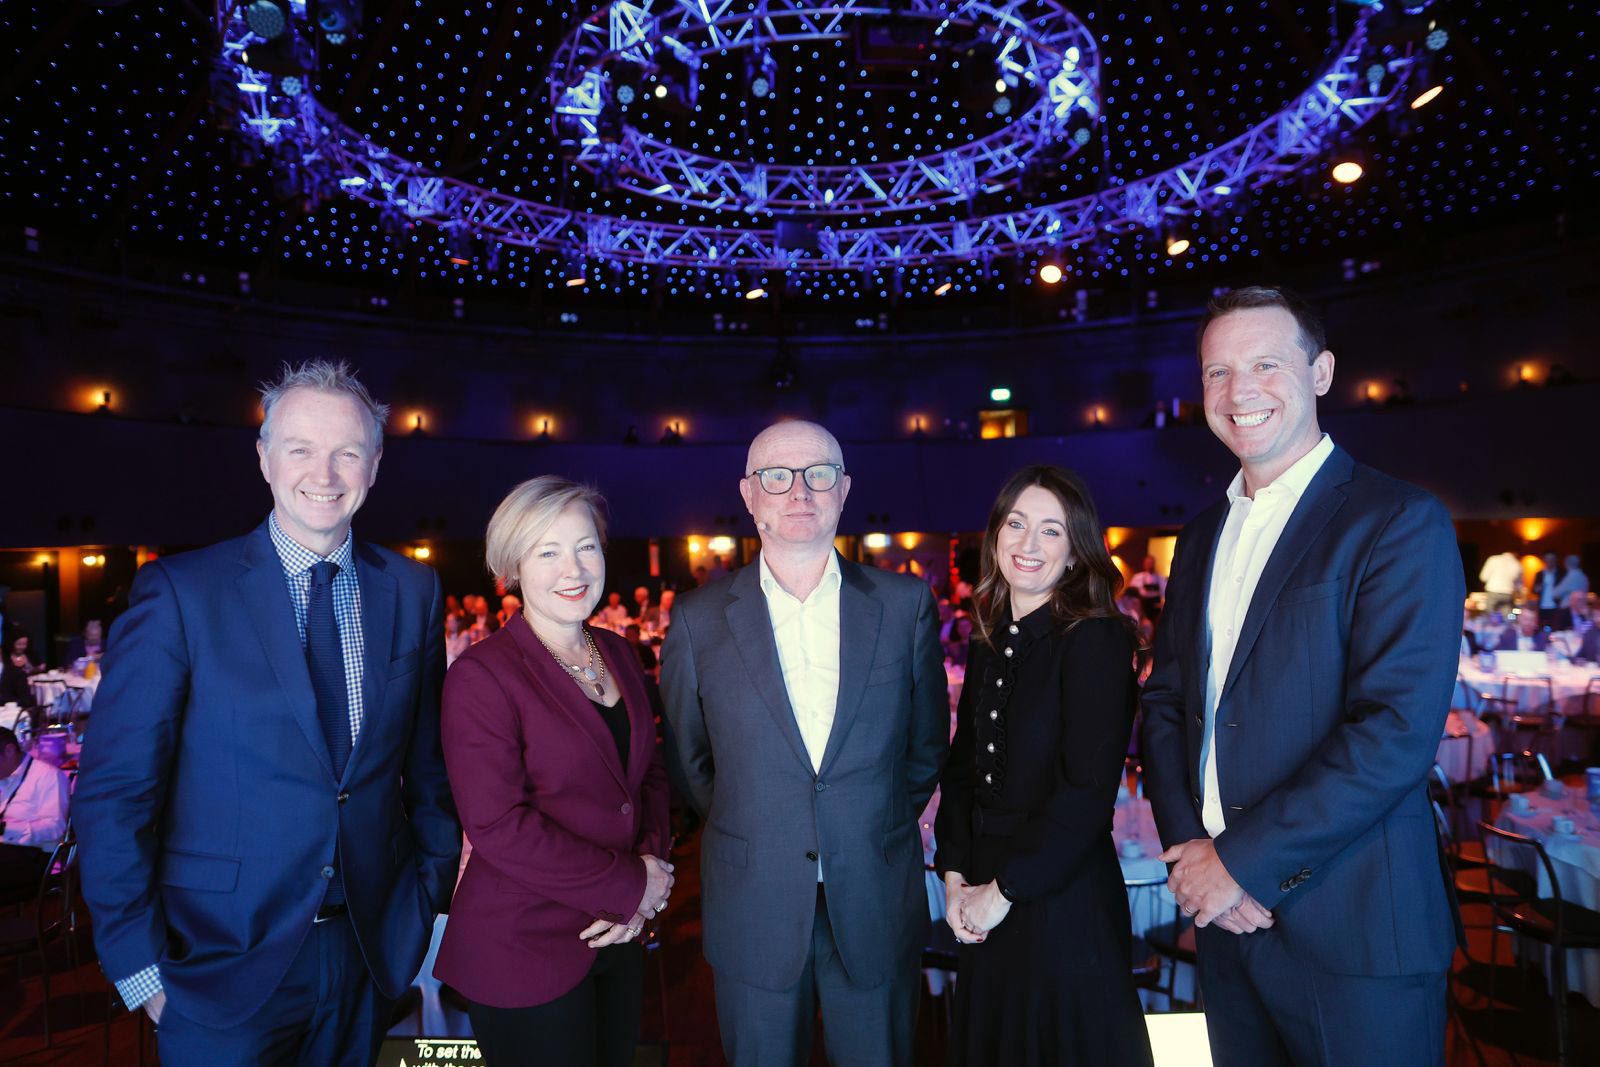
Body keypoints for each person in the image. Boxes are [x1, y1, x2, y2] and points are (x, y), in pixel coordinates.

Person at [75, 360, 461, 1066]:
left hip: (367, 957)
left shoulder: (413, 589)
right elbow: (114, 792)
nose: (326, 471)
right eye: (300, 448)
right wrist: (141, 969)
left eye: (348, 450)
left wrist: (423, 897)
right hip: (214, 969)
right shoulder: (181, 594)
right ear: (263, 459)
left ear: (374, 464)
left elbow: (429, 773)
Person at [1140, 286, 1463, 1067]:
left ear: (1320, 372)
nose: (1238, 391)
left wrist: (1240, 863)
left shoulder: (1396, 519)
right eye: (1218, 372)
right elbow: (1165, 704)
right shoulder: (1199, 535)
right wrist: (1192, 852)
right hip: (1222, 921)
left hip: (1352, 930)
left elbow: (1392, 736)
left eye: (1264, 364)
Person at [662, 420, 947, 1066]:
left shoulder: (906, 605)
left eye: (819, 473)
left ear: (844, 489)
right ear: (749, 493)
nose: (799, 491)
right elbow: (690, 761)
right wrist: (762, 815)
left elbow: (926, 747)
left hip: (874, 894)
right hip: (754, 899)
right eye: (777, 476)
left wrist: (865, 817)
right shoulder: (698, 618)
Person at [435, 476, 673, 1067]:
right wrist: (630, 886)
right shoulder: (481, 675)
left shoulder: (616, 651)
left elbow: (648, 779)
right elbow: (498, 825)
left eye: (585, 546)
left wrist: (647, 878)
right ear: (512, 566)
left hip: (616, 935)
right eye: (548, 551)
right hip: (525, 946)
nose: (574, 569)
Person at [935, 466, 1154, 1067]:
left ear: (1077, 551)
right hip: (984, 890)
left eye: (1051, 531)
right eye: (1017, 524)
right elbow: (960, 768)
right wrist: (954, 874)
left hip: (1061, 899)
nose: (1028, 546)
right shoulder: (989, 636)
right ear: (996, 535)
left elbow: (1085, 796)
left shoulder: (1098, 640)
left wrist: (1000, 894)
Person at [0, 726, 70, 899]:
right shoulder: (3, 775)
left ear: (9, 751)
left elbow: (55, 828)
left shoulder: (48, 776)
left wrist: (4, 828)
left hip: (35, 856)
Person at [1479, 550, 1522, 615]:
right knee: (1508, 616)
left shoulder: (1493, 559)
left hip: (1493, 592)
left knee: (1489, 616)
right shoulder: (1517, 564)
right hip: (1508, 595)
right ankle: (1510, 622)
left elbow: (1483, 577)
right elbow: (1519, 586)